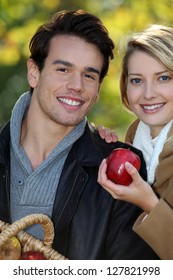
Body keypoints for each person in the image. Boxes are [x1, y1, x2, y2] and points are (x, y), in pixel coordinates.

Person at [0, 10, 159, 260]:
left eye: (89, 75)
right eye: (63, 69)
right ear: (34, 72)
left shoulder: (121, 173)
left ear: (98, 89)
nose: (77, 86)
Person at [98, 24, 173, 260]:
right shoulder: (133, 145)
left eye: (163, 77)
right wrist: (101, 146)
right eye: (137, 80)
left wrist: (150, 203)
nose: (148, 93)